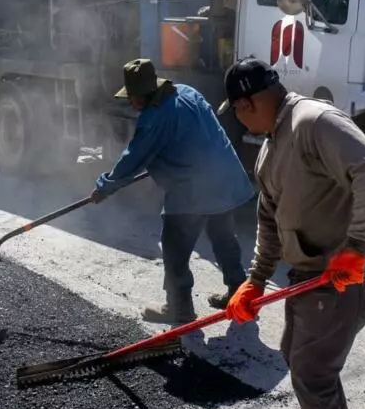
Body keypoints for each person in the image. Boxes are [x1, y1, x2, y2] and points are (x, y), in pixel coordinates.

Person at [220, 58, 365, 409]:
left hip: (344, 277)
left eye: (238, 111)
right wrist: (254, 282)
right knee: (302, 360)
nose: (241, 120)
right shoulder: (270, 147)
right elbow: (270, 220)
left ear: (245, 103)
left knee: (313, 370)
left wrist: (355, 246)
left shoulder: (314, 122)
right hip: (311, 276)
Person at [92, 58, 253, 325]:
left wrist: (105, 187)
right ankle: (240, 294)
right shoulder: (187, 92)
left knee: (175, 248)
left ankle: (180, 309)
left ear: (143, 95)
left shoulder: (154, 118)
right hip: (224, 180)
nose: (131, 103)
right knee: (223, 237)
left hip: (193, 190)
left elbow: (132, 159)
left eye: (131, 98)